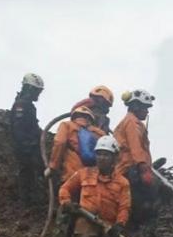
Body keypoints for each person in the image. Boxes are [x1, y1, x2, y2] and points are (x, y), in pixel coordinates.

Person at [113, 89, 158, 237]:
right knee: (141, 201)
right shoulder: (132, 122)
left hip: (131, 168)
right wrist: (143, 168)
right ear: (135, 106)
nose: (147, 111)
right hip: (130, 169)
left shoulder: (132, 122)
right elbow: (135, 146)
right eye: (145, 107)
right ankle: (135, 232)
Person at [9, 73, 45, 205]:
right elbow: (19, 129)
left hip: (29, 146)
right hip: (25, 148)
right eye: (36, 91)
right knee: (28, 173)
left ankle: (31, 201)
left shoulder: (27, 105)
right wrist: (29, 146)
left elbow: (31, 126)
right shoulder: (22, 105)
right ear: (29, 89)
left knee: (31, 172)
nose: (38, 94)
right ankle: (28, 202)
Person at [45, 106, 105, 184]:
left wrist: (53, 167)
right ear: (90, 119)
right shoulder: (99, 133)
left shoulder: (67, 125)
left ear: (74, 116)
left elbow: (60, 143)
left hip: (73, 175)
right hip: (95, 178)